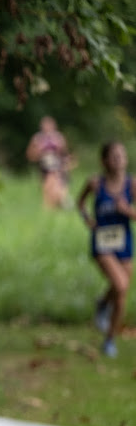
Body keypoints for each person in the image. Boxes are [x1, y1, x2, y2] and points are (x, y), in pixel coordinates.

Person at [77, 141, 136, 358]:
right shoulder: (95, 183)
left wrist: (127, 210)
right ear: (104, 161)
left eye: (122, 155)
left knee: (121, 293)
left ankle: (110, 338)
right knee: (120, 285)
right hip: (102, 243)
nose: (119, 160)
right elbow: (80, 203)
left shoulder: (131, 185)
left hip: (124, 244)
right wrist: (87, 219)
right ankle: (104, 309)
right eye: (114, 156)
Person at [26, 116, 72, 208]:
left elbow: (65, 153)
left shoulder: (59, 137)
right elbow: (30, 155)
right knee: (48, 189)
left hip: (58, 167)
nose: (47, 127)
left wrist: (67, 164)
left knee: (59, 186)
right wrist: (39, 153)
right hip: (44, 167)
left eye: (49, 125)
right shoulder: (37, 138)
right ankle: (54, 206)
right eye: (45, 125)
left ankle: (61, 203)